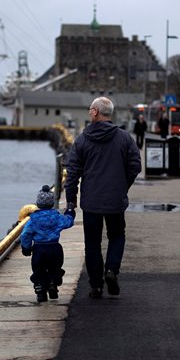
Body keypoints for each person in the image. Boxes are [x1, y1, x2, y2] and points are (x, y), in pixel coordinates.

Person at [64, 97, 142, 298]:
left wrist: (70, 201)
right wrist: (123, 186)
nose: (90, 112)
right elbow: (135, 165)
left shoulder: (82, 140)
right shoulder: (124, 138)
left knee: (92, 243)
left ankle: (96, 286)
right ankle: (112, 270)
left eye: (91, 109)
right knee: (117, 236)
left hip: (91, 202)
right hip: (115, 200)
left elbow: (72, 172)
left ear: (96, 112)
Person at [19, 185, 76, 303]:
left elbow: (26, 234)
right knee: (55, 268)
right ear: (52, 203)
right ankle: (53, 284)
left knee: (39, 269)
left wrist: (26, 248)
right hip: (55, 248)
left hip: (39, 249)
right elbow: (68, 222)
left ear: (38, 204)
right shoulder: (57, 217)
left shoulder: (33, 219)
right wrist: (70, 211)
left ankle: (40, 290)